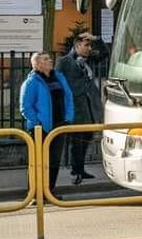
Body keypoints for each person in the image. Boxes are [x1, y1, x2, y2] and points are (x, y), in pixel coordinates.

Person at [20, 52, 74, 194]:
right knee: (38, 162)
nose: (50, 60)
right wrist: (38, 123)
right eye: (46, 59)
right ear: (37, 64)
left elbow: (68, 98)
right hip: (41, 128)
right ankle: (35, 193)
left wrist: (68, 117)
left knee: (54, 160)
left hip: (59, 125)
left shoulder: (59, 77)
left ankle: (49, 190)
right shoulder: (32, 82)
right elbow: (25, 106)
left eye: (49, 58)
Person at [56, 33, 103, 185]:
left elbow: (104, 54)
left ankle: (81, 169)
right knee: (77, 141)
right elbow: (57, 82)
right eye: (86, 45)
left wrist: (96, 38)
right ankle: (75, 171)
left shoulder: (87, 60)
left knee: (87, 139)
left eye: (90, 46)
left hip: (89, 107)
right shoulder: (65, 62)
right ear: (77, 46)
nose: (89, 48)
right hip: (76, 107)